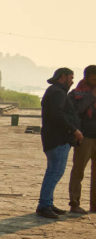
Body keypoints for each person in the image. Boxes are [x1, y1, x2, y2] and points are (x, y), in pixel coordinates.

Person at [37, 67, 83, 219]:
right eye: (71, 78)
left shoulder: (55, 91)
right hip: (58, 139)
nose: (72, 81)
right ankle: (44, 205)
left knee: (54, 171)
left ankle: (47, 202)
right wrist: (73, 130)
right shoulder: (57, 93)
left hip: (54, 138)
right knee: (54, 172)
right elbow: (58, 115)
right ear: (63, 77)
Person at [67, 65, 96, 215]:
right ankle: (74, 202)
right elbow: (76, 112)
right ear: (87, 77)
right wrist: (92, 96)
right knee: (78, 171)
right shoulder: (76, 94)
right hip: (84, 137)